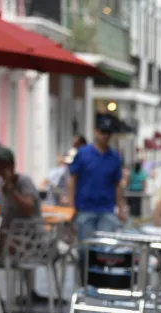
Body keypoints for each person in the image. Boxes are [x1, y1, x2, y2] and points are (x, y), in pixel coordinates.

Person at [68, 115, 126, 280]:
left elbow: (118, 185)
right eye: (102, 132)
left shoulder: (114, 157)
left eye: (108, 132)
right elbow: (72, 180)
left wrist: (121, 208)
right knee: (84, 250)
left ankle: (99, 282)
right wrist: (72, 206)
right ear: (96, 132)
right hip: (85, 208)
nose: (105, 136)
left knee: (104, 250)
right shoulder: (83, 154)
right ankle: (84, 283)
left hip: (106, 210)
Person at [0, 146, 41, 223]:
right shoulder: (1, 183)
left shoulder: (24, 181)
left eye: (3, 165)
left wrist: (12, 190)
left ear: (12, 165)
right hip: (11, 231)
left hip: (29, 231)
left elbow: (29, 209)